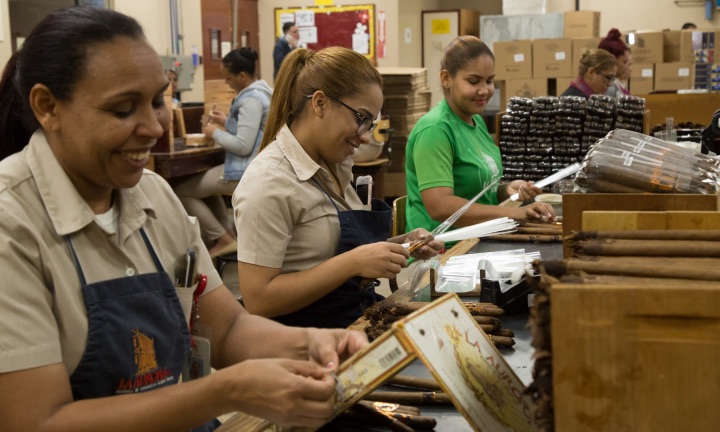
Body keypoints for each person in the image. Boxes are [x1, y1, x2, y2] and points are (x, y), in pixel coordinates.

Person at [0, 8, 368, 431]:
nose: (154, 127)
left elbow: (227, 329)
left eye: (157, 101)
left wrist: (312, 342)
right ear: (47, 107)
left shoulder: (152, 196)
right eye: (123, 109)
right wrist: (228, 390)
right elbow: (40, 422)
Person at [233, 47, 443, 329]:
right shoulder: (268, 182)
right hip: (309, 341)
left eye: (370, 124)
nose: (365, 137)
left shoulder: (336, 164)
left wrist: (404, 245)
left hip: (355, 322)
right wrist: (353, 262)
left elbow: (328, 251)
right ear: (320, 103)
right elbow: (259, 299)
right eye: (361, 118)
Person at [405, 36, 556, 237]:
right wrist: (514, 214)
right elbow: (440, 207)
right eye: (473, 81)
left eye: (489, 81)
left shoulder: (476, 122)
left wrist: (505, 190)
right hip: (443, 246)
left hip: (480, 236)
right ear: (446, 78)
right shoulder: (435, 130)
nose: (485, 90)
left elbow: (475, 190)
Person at [173, 47, 272, 258]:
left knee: (181, 191)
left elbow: (243, 145)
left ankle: (222, 238)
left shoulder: (250, 99)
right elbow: (253, 131)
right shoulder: (261, 92)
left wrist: (214, 133)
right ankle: (228, 236)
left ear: (242, 76)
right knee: (206, 189)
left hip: (246, 171)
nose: (227, 83)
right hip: (254, 167)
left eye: (229, 78)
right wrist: (227, 122)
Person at [597, 28, 632, 97]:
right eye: (625, 62)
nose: (627, 68)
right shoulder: (609, 89)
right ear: (612, 61)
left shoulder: (616, 86)